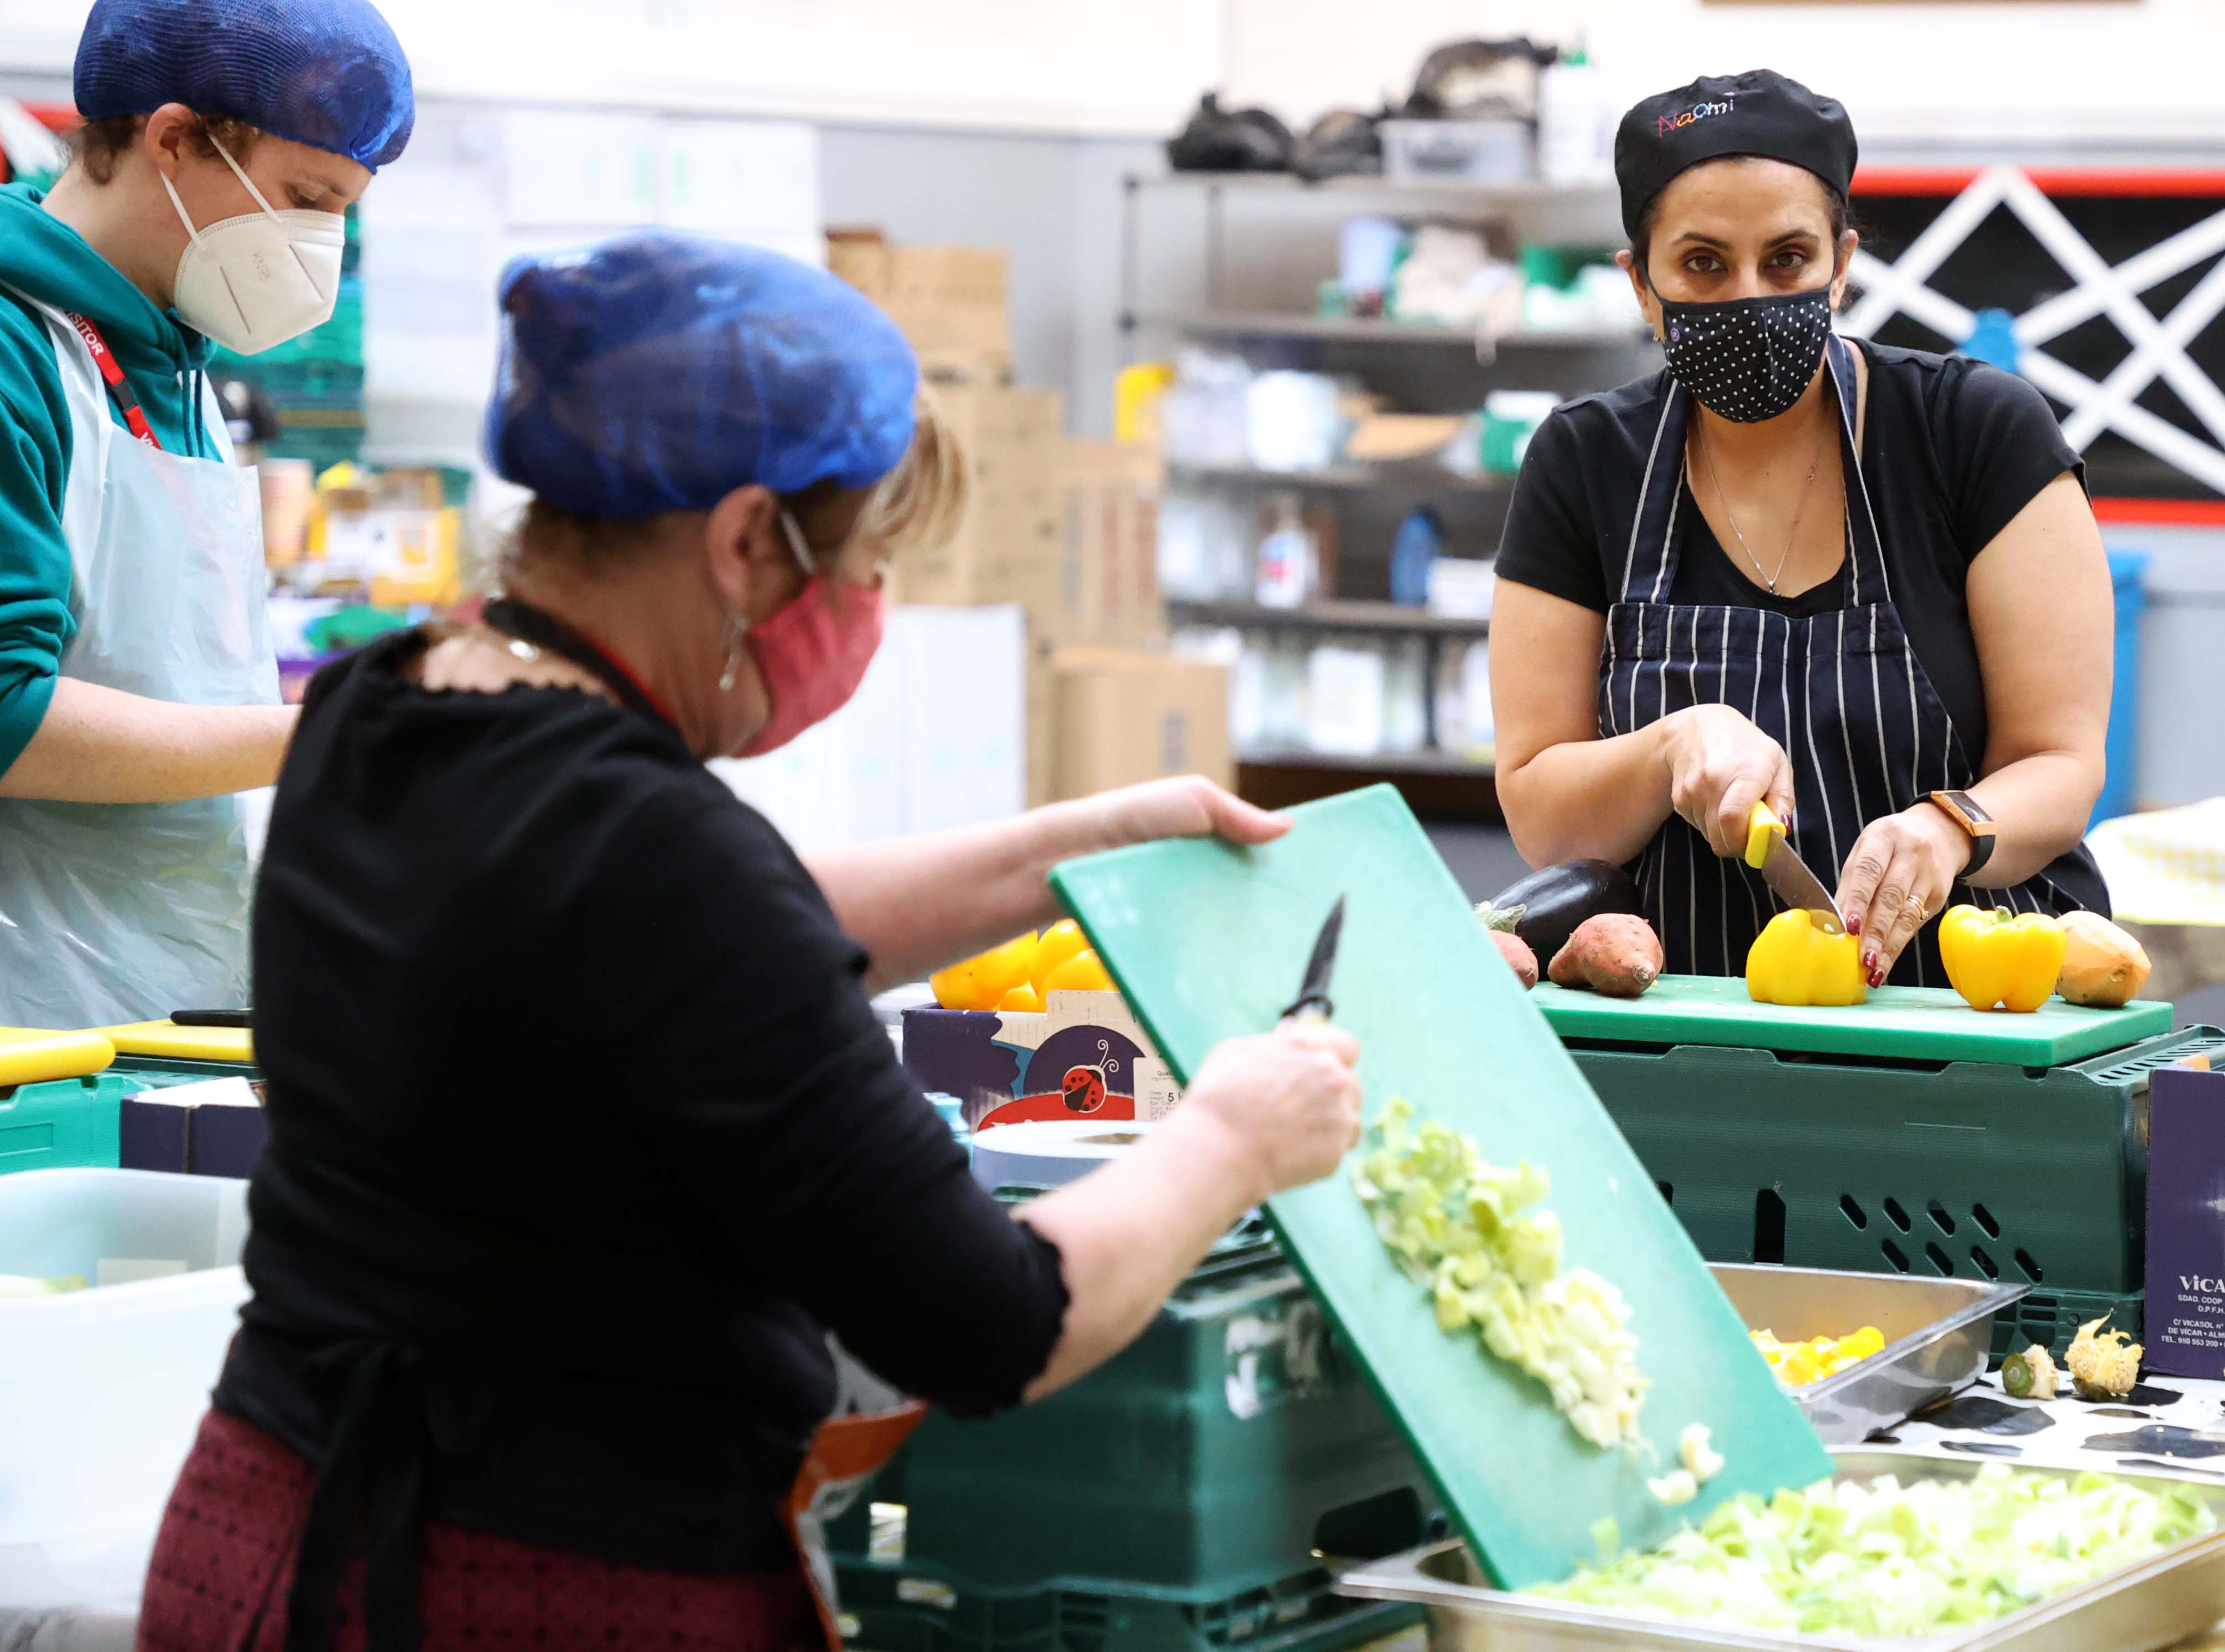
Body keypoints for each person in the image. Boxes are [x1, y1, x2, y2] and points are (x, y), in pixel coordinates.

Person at [135, 231, 1365, 1652]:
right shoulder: (654, 855)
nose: (870, 618)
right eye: (866, 568)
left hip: (257, 1533)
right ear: (739, 543)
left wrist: (1068, 854)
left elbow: (695, 942)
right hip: (527, 1589)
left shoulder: (379, 708)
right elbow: (986, 1321)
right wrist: (1233, 1137)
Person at [1490, 70, 2112, 988]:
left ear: (1842, 263)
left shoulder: (1976, 432)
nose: (1748, 296)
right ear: (1640, 282)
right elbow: (1543, 815)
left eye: (1785, 260)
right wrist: (1669, 746)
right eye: (1703, 262)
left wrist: (1951, 827)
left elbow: (2059, 762)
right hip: (1693, 1014)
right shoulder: (1585, 463)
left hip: (1974, 1007)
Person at [0, 0, 412, 1028]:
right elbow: (5, 715)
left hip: (156, 995)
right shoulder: (18, 351)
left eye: (346, 210)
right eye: (307, 196)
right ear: (174, 138)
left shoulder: (178, 360)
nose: (324, 242)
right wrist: (323, 733)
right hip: (27, 1009)